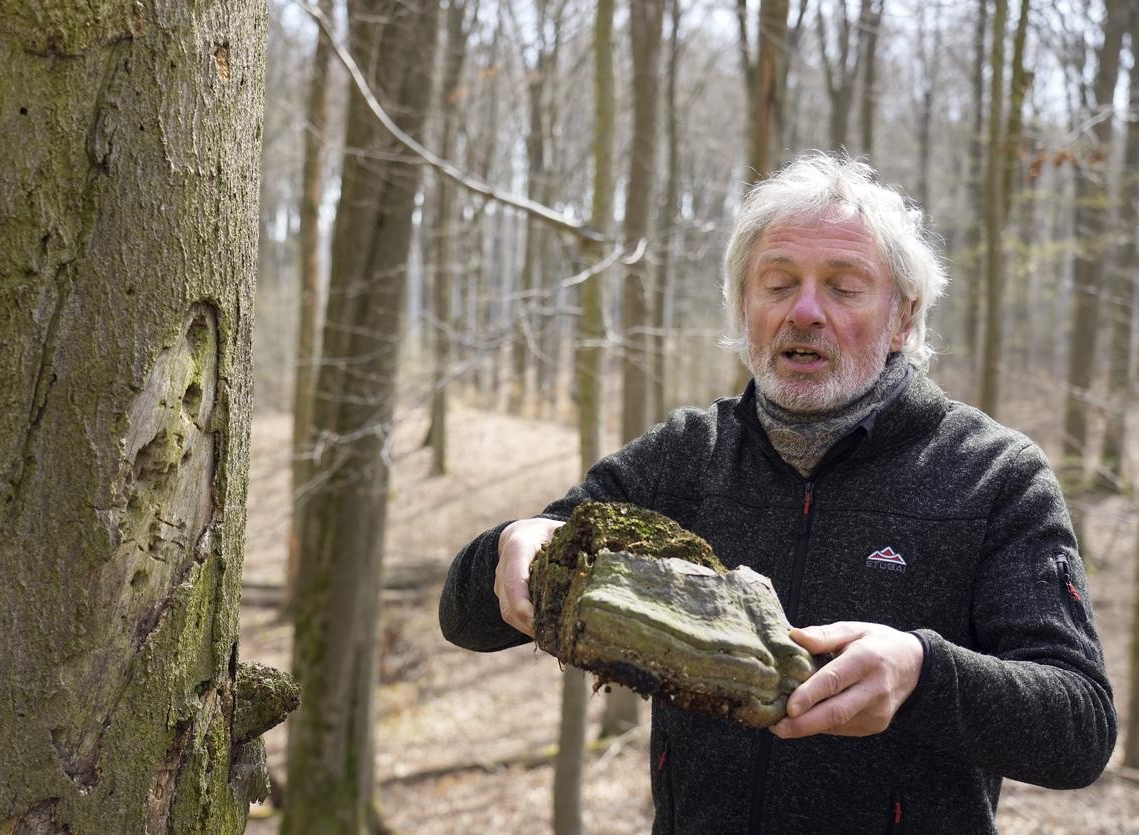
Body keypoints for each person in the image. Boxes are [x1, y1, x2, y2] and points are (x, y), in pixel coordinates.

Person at [439, 153, 1116, 833]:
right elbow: (466, 616)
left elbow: (1080, 725)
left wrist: (923, 673)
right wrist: (514, 541)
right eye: (778, 283)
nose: (805, 311)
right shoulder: (685, 456)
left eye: (844, 287)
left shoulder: (993, 475)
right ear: (744, 306)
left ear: (903, 317)